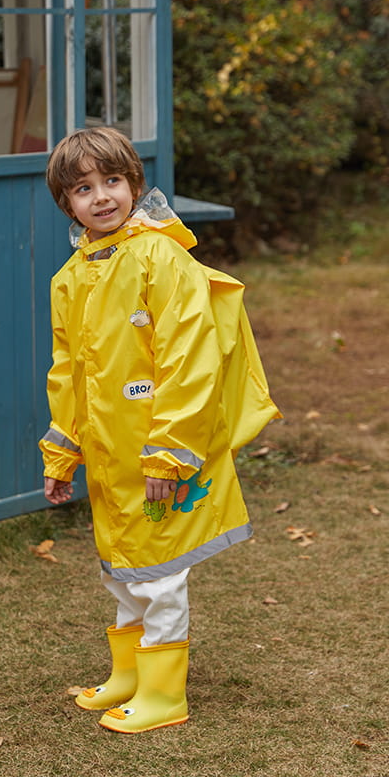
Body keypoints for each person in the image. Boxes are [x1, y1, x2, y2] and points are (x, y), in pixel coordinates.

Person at [40, 127, 279, 734]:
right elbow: (69, 373)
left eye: (112, 181)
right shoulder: (70, 277)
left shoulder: (160, 257)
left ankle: (165, 694)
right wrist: (61, 453)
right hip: (110, 457)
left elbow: (188, 357)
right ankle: (131, 675)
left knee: (163, 571)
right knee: (120, 563)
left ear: (135, 185)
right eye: (83, 188)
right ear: (65, 202)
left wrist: (170, 451)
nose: (101, 197)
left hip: (159, 451)